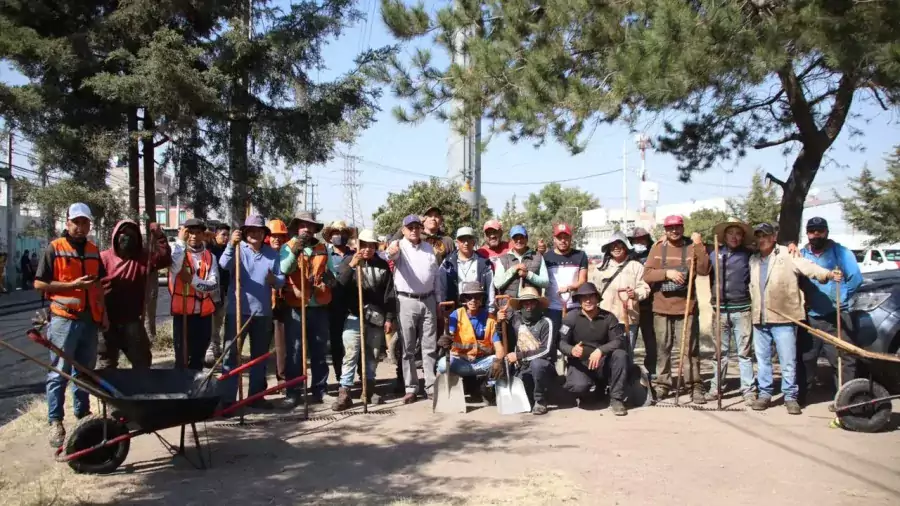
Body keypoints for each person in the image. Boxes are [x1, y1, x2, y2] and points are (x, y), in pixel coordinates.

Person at [34, 203, 109, 447]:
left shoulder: (93, 249)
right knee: (59, 371)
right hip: (64, 318)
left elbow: (97, 285)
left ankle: (82, 415)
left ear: (89, 224)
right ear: (67, 223)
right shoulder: (55, 248)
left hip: (89, 320)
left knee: (85, 372)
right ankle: (55, 420)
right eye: (75, 222)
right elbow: (40, 284)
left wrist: (103, 314)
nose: (80, 226)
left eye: (84, 222)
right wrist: (72, 285)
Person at [750, 223, 840, 414]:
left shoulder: (787, 254)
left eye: (765, 235)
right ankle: (764, 394)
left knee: (788, 360)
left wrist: (829, 274)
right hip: (759, 318)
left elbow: (809, 267)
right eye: (758, 236)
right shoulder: (754, 259)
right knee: (763, 360)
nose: (761, 239)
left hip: (784, 317)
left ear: (774, 237)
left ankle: (790, 397)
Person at [642, 215, 711, 404]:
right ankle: (663, 385)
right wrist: (667, 273)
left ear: (683, 227)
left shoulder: (691, 246)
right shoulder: (657, 248)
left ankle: (694, 385)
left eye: (677, 227)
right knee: (663, 349)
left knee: (689, 349)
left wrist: (699, 245)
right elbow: (646, 275)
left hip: (686, 308)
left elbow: (705, 270)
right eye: (670, 228)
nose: (674, 231)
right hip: (662, 307)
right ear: (665, 229)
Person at [218, 215, 284, 411]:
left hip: (262, 312)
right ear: (245, 233)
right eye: (251, 230)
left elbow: (281, 280)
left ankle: (255, 397)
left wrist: (274, 280)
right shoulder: (238, 249)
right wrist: (231, 244)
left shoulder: (272, 254)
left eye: (259, 230)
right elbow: (223, 264)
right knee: (231, 355)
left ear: (264, 234)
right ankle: (228, 400)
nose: (256, 233)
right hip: (237, 311)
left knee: (259, 357)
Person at [795, 217, 863, 404]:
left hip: (836, 315)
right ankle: (801, 398)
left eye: (820, 231)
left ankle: (845, 401)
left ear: (826, 232)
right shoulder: (801, 255)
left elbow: (856, 278)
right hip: (810, 316)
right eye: (812, 231)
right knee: (806, 358)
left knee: (841, 360)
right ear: (807, 233)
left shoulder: (841, 253)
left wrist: (842, 297)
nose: (816, 234)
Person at [332, 229, 396, 411]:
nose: (367, 249)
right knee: (350, 355)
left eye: (371, 245)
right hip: (354, 315)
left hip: (376, 317)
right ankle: (345, 393)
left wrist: (389, 317)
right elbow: (339, 286)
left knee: (372, 355)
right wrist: (352, 265)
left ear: (375, 247)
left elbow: (389, 294)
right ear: (357, 245)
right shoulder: (349, 262)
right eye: (364, 245)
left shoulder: (382, 265)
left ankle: (368, 389)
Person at [98, 220, 171, 369]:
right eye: (124, 234)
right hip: (106, 321)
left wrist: (159, 236)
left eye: (132, 235)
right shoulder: (102, 258)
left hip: (132, 320)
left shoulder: (143, 258)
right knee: (106, 363)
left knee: (142, 361)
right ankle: (109, 392)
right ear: (116, 237)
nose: (127, 237)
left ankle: (139, 390)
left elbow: (164, 259)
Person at [387, 215, 443, 403]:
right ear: (403, 230)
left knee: (429, 347)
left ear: (421, 229)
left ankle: (430, 386)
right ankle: (411, 387)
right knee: (408, 348)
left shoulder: (428, 248)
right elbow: (390, 255)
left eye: (417, 227)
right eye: (409, 227)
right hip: (406, 301)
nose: (413, 230)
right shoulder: (399, 246)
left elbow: (435, 276)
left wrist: (438, 300)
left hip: (428, 300)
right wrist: (391, 250)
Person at [281, 212, 335, 407]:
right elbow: (285, 269)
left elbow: (331, 273)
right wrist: (296, 251)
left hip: (318, 306)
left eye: (310, 226)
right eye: (303, 225)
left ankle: (320, 390)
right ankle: (293, 392)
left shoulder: (322, 248)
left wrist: (327, 282)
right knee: (295, 351)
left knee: (319, 350)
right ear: (297, 227)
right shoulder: (288, 247)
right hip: (296, 306)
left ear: (314, 229)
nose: (307, 229)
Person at [557, 283, 629, 416]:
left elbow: (619, 340)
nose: (588, 300)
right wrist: (571, 350)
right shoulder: (571, 318)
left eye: (591, 297)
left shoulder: (609, 317)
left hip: (603, 363)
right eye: (584, 298)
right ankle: (591, 391)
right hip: (580, 363)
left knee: (620, 355)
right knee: (580, 388)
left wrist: (600, 350)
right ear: (579, 300)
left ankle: (616, 399)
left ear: (597, 298)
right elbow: (561, 342)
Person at [706, 219, 756, 403]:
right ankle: (716, 388)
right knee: (720, 352)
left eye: (738, 233)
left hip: (742, 309)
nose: (734, 237)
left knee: (744, 352)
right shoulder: (714, 253)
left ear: (743, 237)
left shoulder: (749, 254)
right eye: (730, 233)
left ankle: (748, 390)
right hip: (719, 309)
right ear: (724, 236)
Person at [436, 281, 504, 402]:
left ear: (482, 299)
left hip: (481, 363)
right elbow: (450, 337)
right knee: (442, 365)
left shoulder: (490, 319)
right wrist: (445, 340)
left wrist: (498, 361)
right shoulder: (455, 315)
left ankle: (488, 388)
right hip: (461, 362)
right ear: (464, 300)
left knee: (503, 363)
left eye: (477, 297)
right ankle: (454, 388)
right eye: (469, 297)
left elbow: (499, 349)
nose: (473, 300)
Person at [588, 232, 650, 361]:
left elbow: (645, 288)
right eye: (613, 245)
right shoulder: (600, 268)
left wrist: (635, 294)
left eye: (619, 245)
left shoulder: (636, 266)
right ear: (608, 249)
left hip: (628, 318)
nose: (616, 248)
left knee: (626, 352)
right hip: (605, 319)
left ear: (626, 247)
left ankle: (626, 379)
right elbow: (593, 292)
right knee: (605, 351)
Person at [497, 286, 557, 415]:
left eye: (532, 302)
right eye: (525, 303)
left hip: (544, 367)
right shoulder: (515, 320)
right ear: (521, 305)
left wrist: (519, 355)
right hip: (523, 367)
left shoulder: (546, 322)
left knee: (537, 364)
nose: (528, 306)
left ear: (538, 304)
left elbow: (546, 350)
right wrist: (499, 322)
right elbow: (503, 336)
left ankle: (540, 400)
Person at [169, 219, 219, 370]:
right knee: (182, 357)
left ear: (203, 235)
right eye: (190, 232)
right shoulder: (177, 251)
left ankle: (194, 389)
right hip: (182, 314)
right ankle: (180, 389)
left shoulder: (210, 257)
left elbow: (213, 284)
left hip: (203, 316)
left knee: (198, 357)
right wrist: (180, 241)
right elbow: (175, 266)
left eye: (198, 233)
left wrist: (192, 280)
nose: (194, 236)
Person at [323, 220, 357, 381]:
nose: (339, 236)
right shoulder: (325, 256)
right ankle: (340, 377)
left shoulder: (354, 255)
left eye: (342, 233)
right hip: (332, 305)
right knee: (336, 344)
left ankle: (359, 378)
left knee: (354, 344)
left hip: (353, 306)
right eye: (336, 233)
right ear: (330, 237)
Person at [543, 223, 588, 331]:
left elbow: (583, 281)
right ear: (554, 239)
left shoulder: (580, 255)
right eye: (559, 238)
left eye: (566, 237)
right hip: (552, 308)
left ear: (571, 238)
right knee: (553, 341)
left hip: (574, 307)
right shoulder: (546, 257)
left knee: (572, 341)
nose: (563, 240)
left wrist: (569, 288)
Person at [441, 226, 495, 311]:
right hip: (454, 310)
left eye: (469, 239)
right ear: (457, 242)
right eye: (462, 239)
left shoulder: (484, 263)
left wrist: (490, 310)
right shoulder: (447, 263)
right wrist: (443, 310)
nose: (466, 243)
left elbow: (490, 288)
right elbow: (441, 288)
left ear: (474, 242)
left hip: (478, 310)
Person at [628, 227, 656, 375]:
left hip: (650, 306)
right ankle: (627, 373)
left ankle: (652, 372)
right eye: (636, 240)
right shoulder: (628, 256)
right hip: (631, 306)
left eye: (642, 239)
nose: (639, 242)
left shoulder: (655, 254)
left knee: (651, 342)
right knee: (628, 341)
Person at [493, 224, 548, 299]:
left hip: (531, 306)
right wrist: (513, 269)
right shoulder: (502, 259)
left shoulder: (538, 257)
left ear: (526, 239)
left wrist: (528, 274)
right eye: (515, 238)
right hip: (509, 307)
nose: (518, 240)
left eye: (522, 237)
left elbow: (545, 282)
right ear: (511, 240)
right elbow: (498, 283)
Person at [205, 223, 232, 366]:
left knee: (219, 320)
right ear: (216, 234)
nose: (226, 238)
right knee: (211, 319)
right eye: (223, 235)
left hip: (224, 290)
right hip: (211, 289)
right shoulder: (209, 249)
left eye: (228, 235)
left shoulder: (229, 249)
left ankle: (216, 346)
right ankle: (209, 349)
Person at [268, 219, 289, 380]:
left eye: (280, 236)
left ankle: (281, 379)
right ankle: (258, 385)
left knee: (281, 346)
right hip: (262, 303)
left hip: (282, 304)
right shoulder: (263, 254)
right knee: (259, 346)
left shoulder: (287, 255)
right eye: (273, 235)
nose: (277, 239)